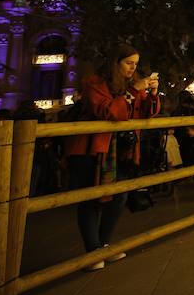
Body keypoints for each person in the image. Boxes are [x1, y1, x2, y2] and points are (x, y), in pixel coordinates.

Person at [62, 43, 161, 270]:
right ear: (115, 63)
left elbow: (146, 112)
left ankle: (104, 245)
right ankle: (93, 251)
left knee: (119, 197)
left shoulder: (130, 85)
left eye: (135, 64)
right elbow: (108, 111)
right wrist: (134, 91)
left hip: (120, 151)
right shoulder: (95, 83)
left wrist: (152, 93)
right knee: (92, 200)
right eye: (128, 63)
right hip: (92, 150)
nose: (132, 68)